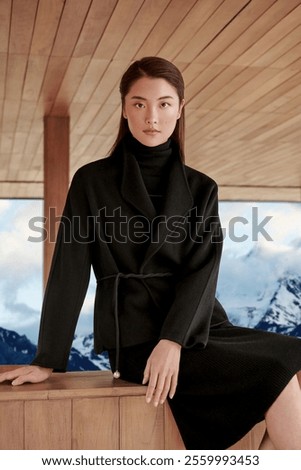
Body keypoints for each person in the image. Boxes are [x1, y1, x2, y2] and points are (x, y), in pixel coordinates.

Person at [1, 56, 301, 450]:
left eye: (164, 103)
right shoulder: (92, 181)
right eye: (139, 104)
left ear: (180, 109)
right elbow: (69, 272)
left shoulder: (201, 187)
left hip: (197, 327)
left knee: (292, 357)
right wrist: (47, 358)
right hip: (136, 336)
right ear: (124, 109)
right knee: (276, 372)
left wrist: (174, 340)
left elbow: (202, 270)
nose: (152, 117)